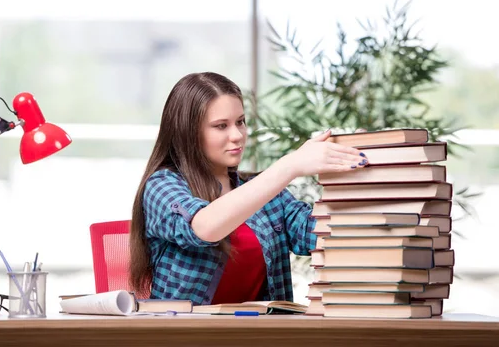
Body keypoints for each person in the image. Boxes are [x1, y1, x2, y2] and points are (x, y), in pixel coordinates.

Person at [129, 72, 368, 305]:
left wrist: (359, 178)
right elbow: (204, 227)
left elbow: (320, 235)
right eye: (221, 126)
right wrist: (289, 166)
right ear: (188, 133)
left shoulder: (267, 195)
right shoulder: (162, 185)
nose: (237, 135)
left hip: (258, 335)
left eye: (240, 122)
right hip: (185, 336)